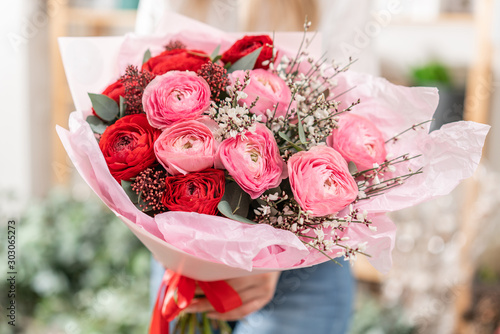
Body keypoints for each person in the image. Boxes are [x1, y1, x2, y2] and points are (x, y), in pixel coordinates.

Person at [140, 1, 380, 332]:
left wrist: (272, 256)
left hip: (306, 263)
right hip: (183, 262)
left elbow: (353, 119)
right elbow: (138, 97)